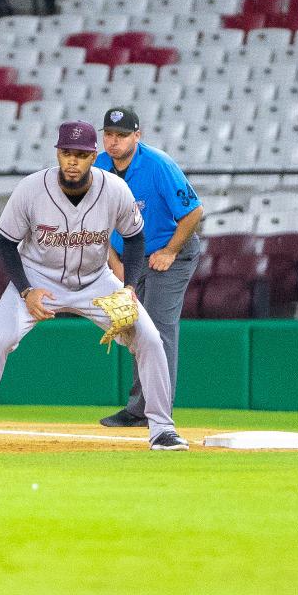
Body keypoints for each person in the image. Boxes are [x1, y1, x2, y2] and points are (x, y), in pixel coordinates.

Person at [0, 120, 189, 452]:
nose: (73, 161)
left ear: (93, 157)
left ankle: (162, 429)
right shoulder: (31, 189)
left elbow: (134, 239)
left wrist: (129, 287)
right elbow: (4, 245)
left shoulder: (115, 189)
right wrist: (26, 290)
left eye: (81, 154)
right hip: (37, 277)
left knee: (149, 338)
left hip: (96, 280)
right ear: (57, 154)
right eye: (66, 153)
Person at [96, 107, 203, 429]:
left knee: (157, 328)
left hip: (167, 253)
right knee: (133, 328)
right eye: (109, 135)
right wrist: (114, 263)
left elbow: (193, 212)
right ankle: (139, 407)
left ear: (137, 136)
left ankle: (155, 410)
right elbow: (92, 221)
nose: (114, 142)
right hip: (129, 257)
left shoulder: (158, 164)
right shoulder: (99, 166)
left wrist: (170, 251)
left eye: (122, 135)